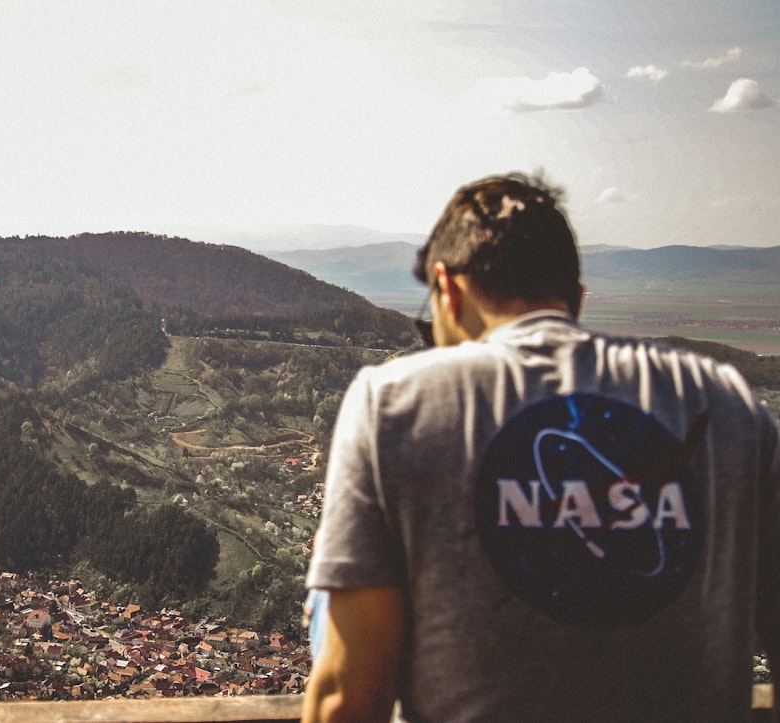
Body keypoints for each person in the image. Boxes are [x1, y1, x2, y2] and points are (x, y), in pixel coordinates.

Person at [302, 172, 780, 722]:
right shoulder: (725, 403)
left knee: (336, 577)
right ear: (575, 300)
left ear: (446, 290)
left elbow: (347, 699)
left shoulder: (393, 403)